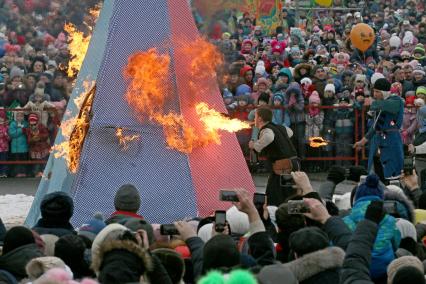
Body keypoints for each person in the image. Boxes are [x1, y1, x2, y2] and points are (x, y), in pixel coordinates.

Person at [354, 78, 404, 180]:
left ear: (385, 92)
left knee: (392, 174)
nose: (375, 94)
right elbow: (375, 126)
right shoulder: (380, 103)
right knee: (375, 172)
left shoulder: (396, 100)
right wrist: (363, 141)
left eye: (377, 91)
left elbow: (390, 106)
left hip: (391, 140)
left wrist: (371, 103)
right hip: (378, 140)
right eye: (374, 91)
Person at [248, 106, 299, 206]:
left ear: (260, 118)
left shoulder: (266, 130)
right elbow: (290, 132)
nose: (254, 119)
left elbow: (269, 137)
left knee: (274, 195)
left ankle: (275, 214)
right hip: (292, 164)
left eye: (255, 117)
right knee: (289, 192)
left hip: (283, 167)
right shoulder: (280, 127)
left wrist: (255, 145)